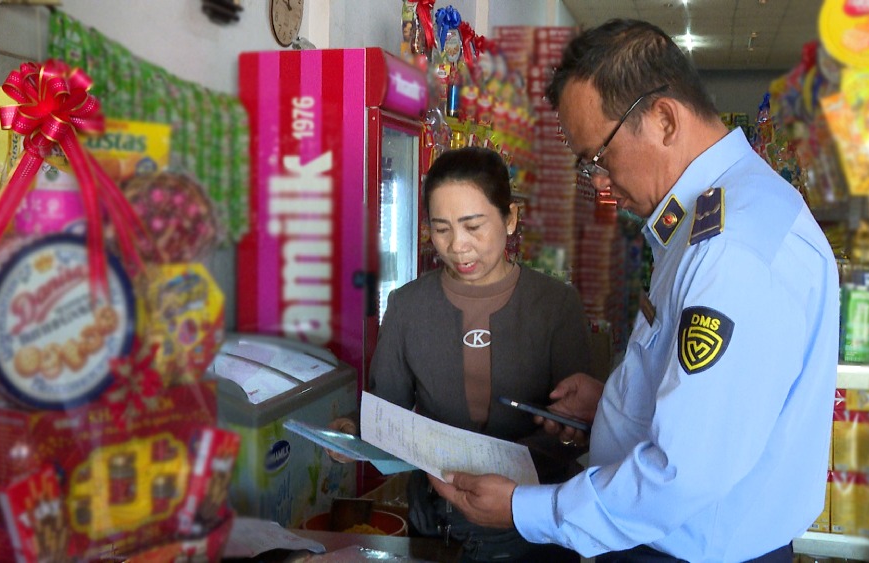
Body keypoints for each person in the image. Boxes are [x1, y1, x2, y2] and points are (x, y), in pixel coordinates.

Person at [429, 19, 840, 563]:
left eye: (598, 158)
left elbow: (681, 475)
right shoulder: (708, 218)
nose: (599, 183)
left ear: (664, 119)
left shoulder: (732, 249)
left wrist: (524, 510)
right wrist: (610, 408)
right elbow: (709, 408)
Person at [330, 146, 592, 562]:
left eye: (473, 226)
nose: (457, 246)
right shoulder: (407, 306)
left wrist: (565, 435)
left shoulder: (556, 305)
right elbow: (388, 413)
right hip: (438, 522)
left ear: (510, 218)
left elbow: (581, 426)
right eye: (442, 229)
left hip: (532, 525)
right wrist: (354, 429)